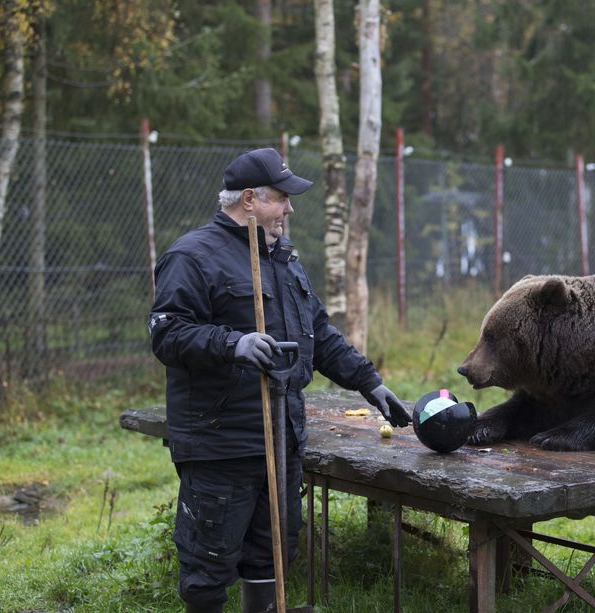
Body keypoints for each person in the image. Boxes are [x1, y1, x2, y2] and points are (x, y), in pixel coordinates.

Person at [148, 148, 410, 613]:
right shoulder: (192, 256)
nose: (289, 209)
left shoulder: (283, 260)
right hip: (221, 442)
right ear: (249, 199)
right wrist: (234, 344)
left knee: (272, 551)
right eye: (280, 199)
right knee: (209, 561)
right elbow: (167, 333)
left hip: (282, 437)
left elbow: (320, 336)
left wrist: (368, 382)